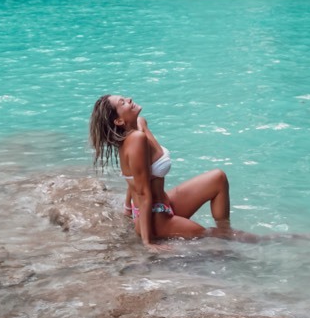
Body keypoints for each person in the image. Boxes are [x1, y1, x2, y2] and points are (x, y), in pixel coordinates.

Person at [89, 94, 257, 250]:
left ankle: (225, 230)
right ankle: (269, 241)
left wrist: (127, 209)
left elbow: (137, 174)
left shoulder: (141, 124)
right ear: (118, 121)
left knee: (218, 178)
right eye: (123, 103)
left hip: (163, 204)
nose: (129, 99)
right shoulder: (135, 140)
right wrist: (147, 242)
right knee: (213, 235)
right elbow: (141, 191)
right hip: (155, 219)